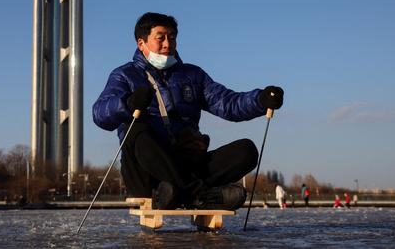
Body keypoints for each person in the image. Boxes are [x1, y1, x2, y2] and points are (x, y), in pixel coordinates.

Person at [93, 12, 284, 210]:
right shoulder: (124, 75)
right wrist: (127, 103)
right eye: (160, 38)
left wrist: (260, 100)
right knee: (135, 129)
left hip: (187, 161)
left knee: (246, 150)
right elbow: (99, 114)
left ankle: (178, 193)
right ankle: (199, 196)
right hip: (147, 172)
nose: (167, 44)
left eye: (172, 37)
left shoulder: (192, 75)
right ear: (141, 43)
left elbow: (227, 103)